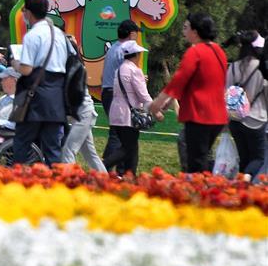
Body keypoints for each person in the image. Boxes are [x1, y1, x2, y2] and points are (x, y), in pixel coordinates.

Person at [150, 13, 228, 173]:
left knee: (196, 164)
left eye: (186, 28)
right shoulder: (218, 51)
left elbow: (179, 79)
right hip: (218, 116)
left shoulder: (195, 52)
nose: (183, 32)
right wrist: (168, 100)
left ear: (195, 31)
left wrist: (157, 102)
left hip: (199, 114)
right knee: (203, 159)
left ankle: (199, 195)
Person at [13, 0, 69, 166]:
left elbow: (26, 69)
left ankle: (18, 180)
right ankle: (55, 185)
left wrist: (14, 63)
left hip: (35, 96)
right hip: (57, 95)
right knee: (53, 148)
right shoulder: (59, 34)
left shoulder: (33, 35)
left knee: (22, 142)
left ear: (28, 12)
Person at [103, 41, 161, 174]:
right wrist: (155, 111)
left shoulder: (119, 70)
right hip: (129, 115)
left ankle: (129, 176)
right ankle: (103, 166)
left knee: (131, 147)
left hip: (116, 113)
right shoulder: (135, 71)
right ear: (136, 55)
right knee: (128, 148)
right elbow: (143, 95)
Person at [60, 35, 106, 172]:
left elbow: (73, 94)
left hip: (83, 113)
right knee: (90, 154)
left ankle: (68, 182)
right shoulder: (71, 65)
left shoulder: (74, 67)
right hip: (82, 113)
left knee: (68, 151)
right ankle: (105, 180)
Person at [224, 31, 267, 176]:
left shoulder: (233, 66)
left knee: (244, 158)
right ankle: (247, 179)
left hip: (235, 119)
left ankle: (241, 189)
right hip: (256, 119)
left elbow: (226, 91)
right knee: (258, 158)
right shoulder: (261, 68)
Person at [100, 19, 141, 172]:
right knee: (118, 134)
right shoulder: (125, 51)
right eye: (136, 34)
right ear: (131, 34)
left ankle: (121, 171)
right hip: (118, 96)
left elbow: (102, 76)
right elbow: (127, 76)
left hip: (107, 92)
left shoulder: (112, 49)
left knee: (119, 133)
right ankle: (105, 168)